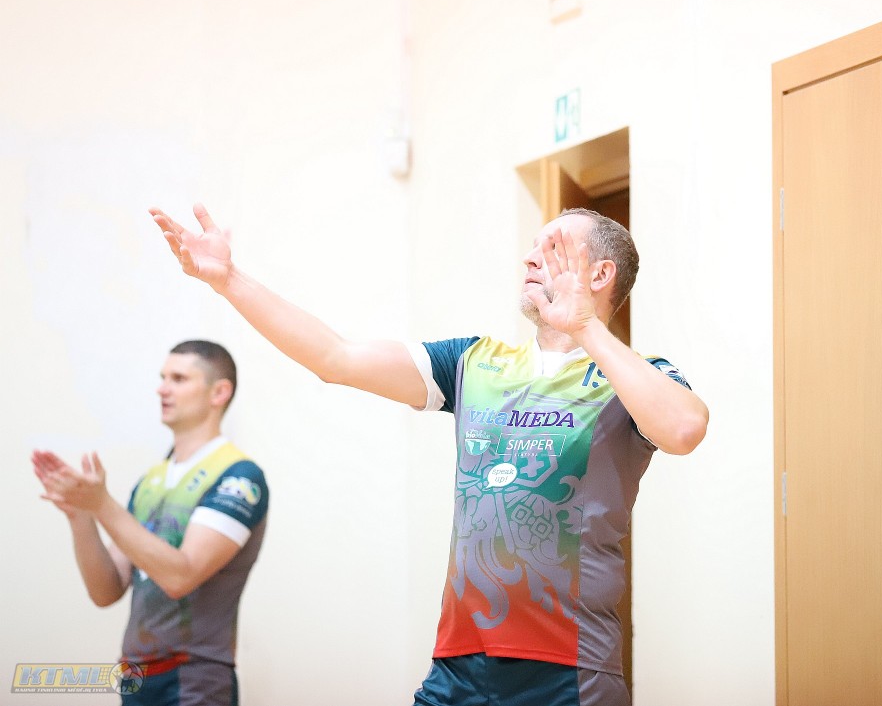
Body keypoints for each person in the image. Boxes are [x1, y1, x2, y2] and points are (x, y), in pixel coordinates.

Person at [150, 203, 708, 706]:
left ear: (600, 275)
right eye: (532, 245)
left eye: (554, 246)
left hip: (569, 672)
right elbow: (335, 358)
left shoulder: (634, 377)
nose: (530, 257)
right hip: (458, 666)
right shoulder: (474, 362)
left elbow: (684, 429)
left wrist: (586, 327)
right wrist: (229, 281)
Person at [31, 340, 269, 706]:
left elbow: (180, 577)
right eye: (162, 378)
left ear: (219, 392)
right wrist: (82, 515)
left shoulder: (238, 477)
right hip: (136, 679)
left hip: (195, 679)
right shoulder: (150, 482)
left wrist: (103, 504)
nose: (162, 389)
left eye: (178, 378)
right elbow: (106, 591)